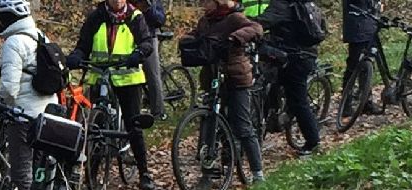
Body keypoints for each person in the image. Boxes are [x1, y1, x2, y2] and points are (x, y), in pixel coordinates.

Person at [70, 0, 159, 190]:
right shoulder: (96, 16)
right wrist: (77, 55)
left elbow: (146, 42)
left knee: (133, 124)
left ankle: (144, 172)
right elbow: (83, 44)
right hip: (99, 74)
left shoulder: (135, 17)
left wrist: (139, 53)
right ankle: (91, 175)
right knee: (94, 128)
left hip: (127, 78)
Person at [181, 0, 265, 179]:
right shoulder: (205, 21)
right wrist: (187, 40)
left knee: (242, 126)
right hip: (212, 76)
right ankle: (208, 172)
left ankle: (258, 173)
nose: (204, 5)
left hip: (235, 76)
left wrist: (236, 38)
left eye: (207, 1)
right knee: (210, 122)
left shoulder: (234, 18)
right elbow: (197, 35)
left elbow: (256, 28)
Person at [0, 0, 60, 190]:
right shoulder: (40, 37)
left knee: (22, 174)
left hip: (23, 117)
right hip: (48, 115)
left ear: (7, 18)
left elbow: (9, 89)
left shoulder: (13, 43)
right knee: (41, 171)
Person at [255, 0, 327, 156]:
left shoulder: (281, 5)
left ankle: (313, 143)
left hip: (294, 58)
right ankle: (273, 120)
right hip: (304, 54)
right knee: (271, 84)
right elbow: (323, 27)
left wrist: (241, 26)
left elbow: (262, 22)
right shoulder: (305, 3)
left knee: (297, 100)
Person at [342, 0, 386, 115]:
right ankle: (346, 105)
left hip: (369, 25)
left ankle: (366, 102)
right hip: (357, 26)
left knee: (367, 66)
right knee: (353, 66)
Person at [132, 0, 171, 119]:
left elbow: (160, 19)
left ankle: (159, 112)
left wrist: (148, 8)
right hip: (129, 35)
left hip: (149, 36)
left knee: (152, 74)